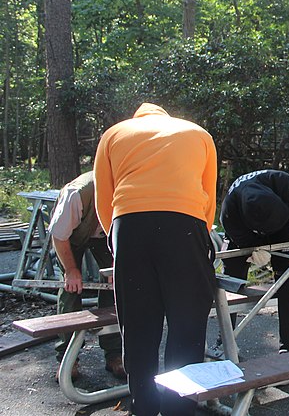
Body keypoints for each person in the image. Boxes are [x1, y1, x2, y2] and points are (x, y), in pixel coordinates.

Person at [94, 103, 218, 416]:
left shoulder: (113, 134)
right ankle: (179, 409)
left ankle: (143, 407)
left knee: (137, 326)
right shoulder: (198, 133)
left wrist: (117, 240)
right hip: (185, 223)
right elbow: (208, 196)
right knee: (187, 324)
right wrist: (197, 235)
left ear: (137, 119)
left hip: (130, 224)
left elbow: (104, 199)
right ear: (166, 117)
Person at [219, 169, 289, 353]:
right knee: (232, 278)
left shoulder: (284, 184)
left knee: (285, 279)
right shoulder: (230, 212)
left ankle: (287, 347)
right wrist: (252, 248)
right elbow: (239, 238)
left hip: (284, 227)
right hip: (245, 229)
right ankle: (224, 341)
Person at [49, 171, 124, 381]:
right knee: (71, 288)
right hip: (71, 234)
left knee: (116, 284)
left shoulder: (129, 192)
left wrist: (116, 266)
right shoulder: (77, 194)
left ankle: (115, 354)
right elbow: (59, 236)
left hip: (105, 235)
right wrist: (71, 270)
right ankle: (67, 359)